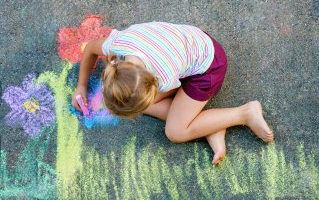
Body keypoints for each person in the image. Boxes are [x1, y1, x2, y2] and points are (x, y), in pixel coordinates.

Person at [72, 21, 274, 164]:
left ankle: (244, 114)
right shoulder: (118, 47)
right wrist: (81, 85)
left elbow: (173, 92)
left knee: (175, 131)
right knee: (137, 101)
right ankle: (209, 126)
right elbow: (91, 48)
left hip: (209, 68)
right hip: (190, 41)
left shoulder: (164, 74)